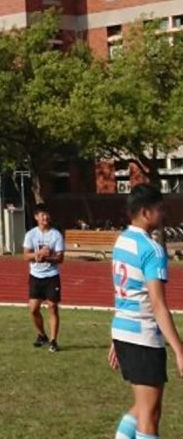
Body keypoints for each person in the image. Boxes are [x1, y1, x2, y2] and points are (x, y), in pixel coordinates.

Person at [110, 184, 183, 439]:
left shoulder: (122, 241)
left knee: (143, 407)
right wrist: (179, 349)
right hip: (142, 336)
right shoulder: (151, 249)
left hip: (124, 332)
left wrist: (116, 338)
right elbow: (157, 304)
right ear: (145, 212)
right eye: (160, 209)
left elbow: (124, 293)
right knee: (149, 416)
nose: (164, 215)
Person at [22, 202, 65, 352]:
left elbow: (60, 258)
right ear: (36, 217)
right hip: (35, 276)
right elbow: (25, 255)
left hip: (51, 276)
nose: (45, 217)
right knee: (33, 309)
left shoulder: (56, 235)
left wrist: (47, 258)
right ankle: (42, 335)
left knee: (52, 307)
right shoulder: (31, 234)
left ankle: (53, 340)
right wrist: (37, 256)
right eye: (42, 215)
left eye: (47, 214)